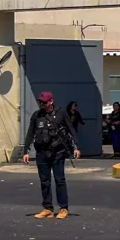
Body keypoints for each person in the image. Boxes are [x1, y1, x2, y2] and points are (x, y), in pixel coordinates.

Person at [22, 91, 80, 220]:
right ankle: (47, 208)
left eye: (44, 102)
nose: (41, 104)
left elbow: (71, 129)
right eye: (40, 102)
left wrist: (76, 147)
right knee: (45, 181)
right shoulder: (37, 115)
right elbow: (30, 133)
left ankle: (63, 208)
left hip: (57, 152)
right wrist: (26, 151)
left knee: (59, 180)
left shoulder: (61, 114)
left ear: (51, 101)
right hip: (42, 152)